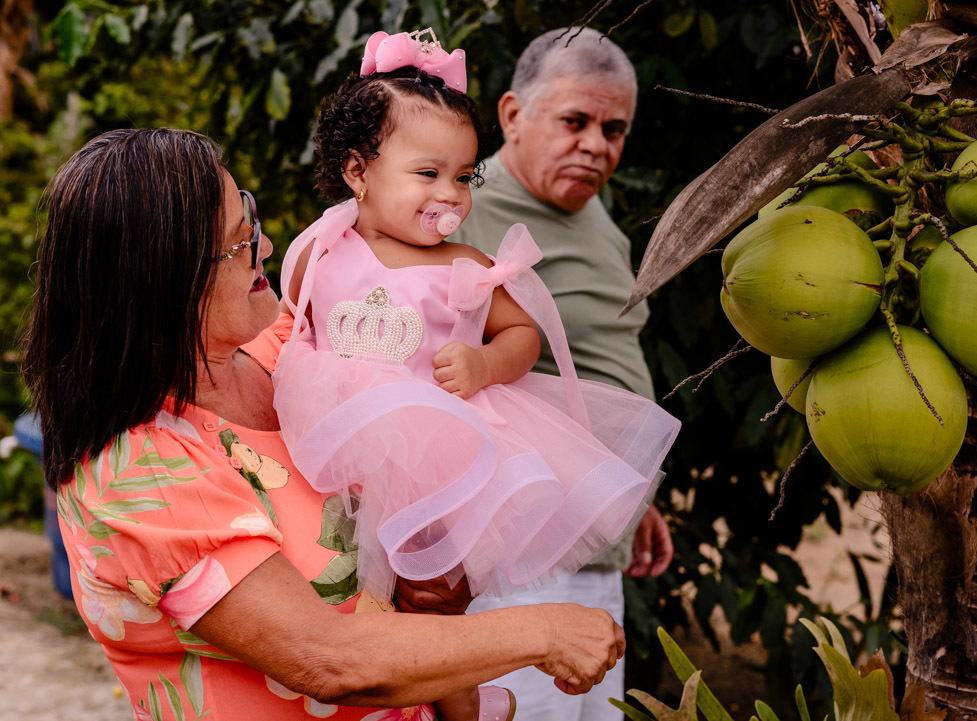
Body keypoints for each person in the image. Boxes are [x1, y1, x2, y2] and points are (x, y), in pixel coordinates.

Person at [22, 127, 628, 721]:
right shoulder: (142, 471)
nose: (264, 247)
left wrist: (438, 573)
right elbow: (326, 660)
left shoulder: (293, 353)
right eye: (239, 242)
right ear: (165, 280)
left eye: (251, 219)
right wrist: (544, 630)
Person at [274, 34, 679, 721]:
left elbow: (524, 334)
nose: (450, 194)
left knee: (440, 604)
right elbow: (290, 327)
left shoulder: (469, 259)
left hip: (446, 459)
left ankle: (465, 707)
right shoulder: (323, 245)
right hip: (341, 446)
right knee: (358, 591)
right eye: (428, 174)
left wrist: (486, 363)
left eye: (462, 177)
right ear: (357, 172)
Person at [452, 27, 674, 720]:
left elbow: (591, 364)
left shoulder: (588, 207)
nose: (597, 146)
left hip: (593, 550)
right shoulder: (462, 210)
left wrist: (632, 488)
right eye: (574, 121)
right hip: (519, 559)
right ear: (513, 115)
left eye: (615, 129)